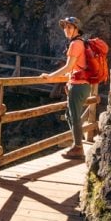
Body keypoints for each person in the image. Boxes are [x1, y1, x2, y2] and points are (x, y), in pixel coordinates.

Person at [41, 16, 91, 159]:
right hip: (80, 85)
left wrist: (50, 77)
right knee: (70, 115)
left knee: (74, 116)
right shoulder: (80, 43)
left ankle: (78, 148)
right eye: (65, 27)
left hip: (78, 86)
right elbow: (74, 68)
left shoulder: (75, 44)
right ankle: (77, 142)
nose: (66, 30)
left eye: (70, 27)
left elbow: (68, 66)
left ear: (77, 29)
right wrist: (68, 81)